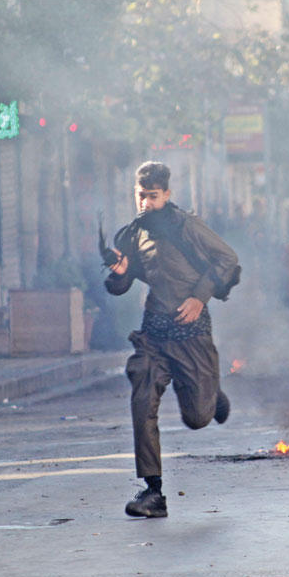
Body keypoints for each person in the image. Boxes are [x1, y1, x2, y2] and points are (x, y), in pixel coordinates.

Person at [105, 161, 239, 518]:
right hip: (154, 334)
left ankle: (211, 395)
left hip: (191, 333)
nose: (146, 203)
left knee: (197, 417)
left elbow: (227, 259)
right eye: (140, 196)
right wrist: (119, 274)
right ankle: (153, 492)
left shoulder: (188, 226)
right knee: (142, 399)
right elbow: (118, 286)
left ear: (166, 194)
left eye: (152, 196)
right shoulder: (132, 235)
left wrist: (200, 297)